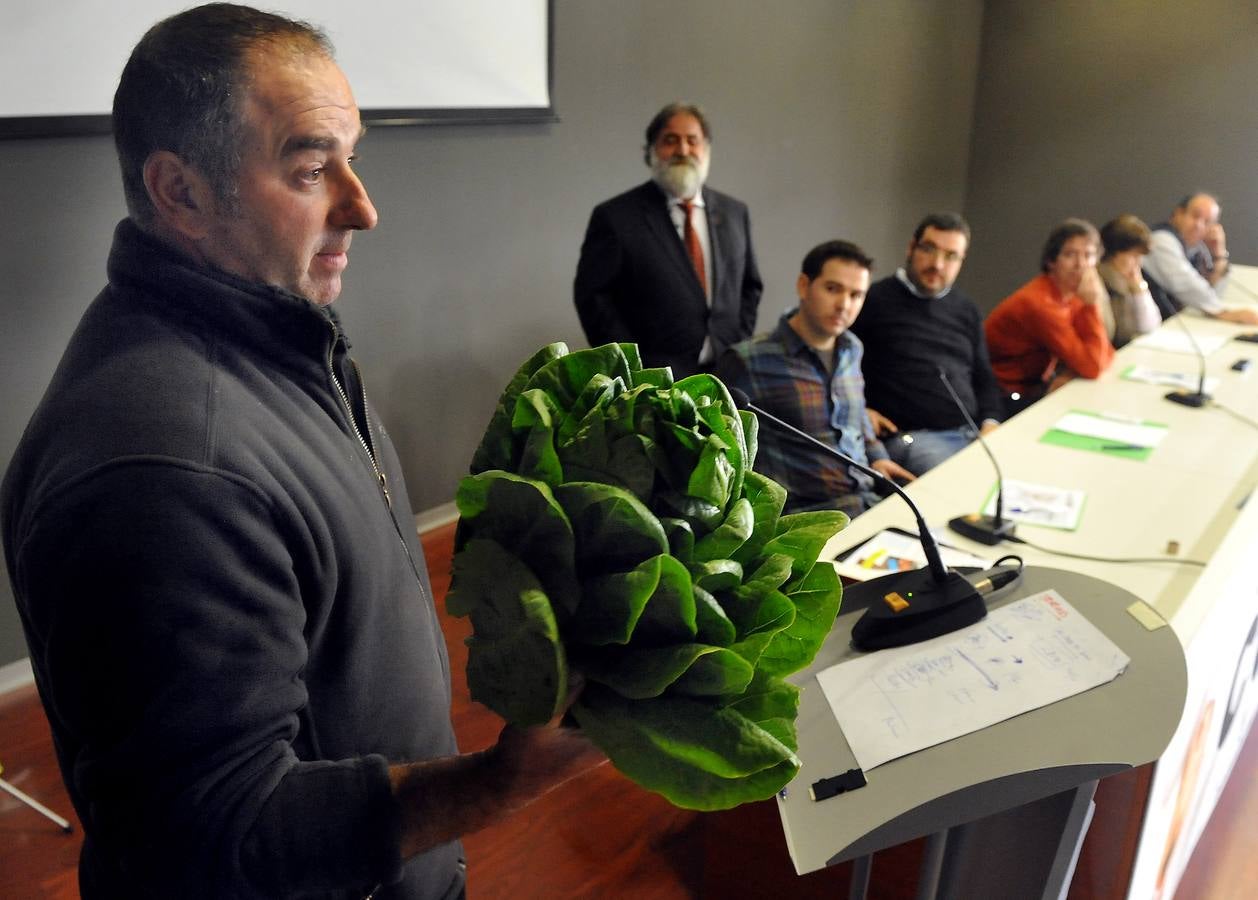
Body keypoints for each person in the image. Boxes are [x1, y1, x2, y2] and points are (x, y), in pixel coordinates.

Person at [0, 6, 603, 899]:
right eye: (313, 167)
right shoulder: (166, 473)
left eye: (354, 159)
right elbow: (216, 838)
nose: (362, 206)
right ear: (182, 193)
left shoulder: (278, 334)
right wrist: (497, 782)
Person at [714, 240, 914, 517]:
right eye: (833, 289)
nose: (844, 305)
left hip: (866, 503)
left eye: (856, 295)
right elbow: (717, 450)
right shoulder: (748, 360)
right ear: (803, 286)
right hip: (808, 521)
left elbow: (855, 418)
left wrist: (878, 457)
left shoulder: (852, 349)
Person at [573, 102, 763, 378]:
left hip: (725, 375)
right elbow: (593, 298)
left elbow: (750, 286)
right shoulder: (616, 217)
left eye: (692, 141)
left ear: (706, 150)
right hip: (651, 382)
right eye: (670, 141)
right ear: (650, 152)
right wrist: (631, 366)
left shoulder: (735, 213)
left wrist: (736, 344)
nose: (683, 150)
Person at [850, 212, 1003, 476]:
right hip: (914, 438)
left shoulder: (966, 309)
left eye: (951, 256)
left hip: (972, 432)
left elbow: (984, 378)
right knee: (962, 482)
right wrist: (861, 410)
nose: (938, 264)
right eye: (929, 249)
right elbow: (836, 368)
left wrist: (992, 423)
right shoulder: (871, 300)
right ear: (911, 247)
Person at [985, 218, 1115, 414]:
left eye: (1088, 255)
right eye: (1070, 254)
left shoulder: (1072, 295)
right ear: (1051, 261)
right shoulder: (1040, 303)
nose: (1080, 264)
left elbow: (1106, 352)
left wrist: (1070, 372)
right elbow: (1094, 365)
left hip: (1033, 386)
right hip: (1002, 397)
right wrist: (1091, 306)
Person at [1143, 193, 1258, 325]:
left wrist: (1218, 254)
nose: (1199, 225)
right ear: (1178, 213)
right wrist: (1223, 313)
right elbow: (1187, 284)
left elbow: (1213, 292)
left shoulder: (1197, 248)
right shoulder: (1162, 240)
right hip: (1149, 329)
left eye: (1207, 222)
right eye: (1195, 216)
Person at [1096, 214, 1162, 348]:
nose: (1138, 263)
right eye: (1134, 255)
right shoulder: (1099, 283)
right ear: (1113, 252)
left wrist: (1140, 290)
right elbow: (1120, 336)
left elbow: (1151, 326)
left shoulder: (1128, 280)